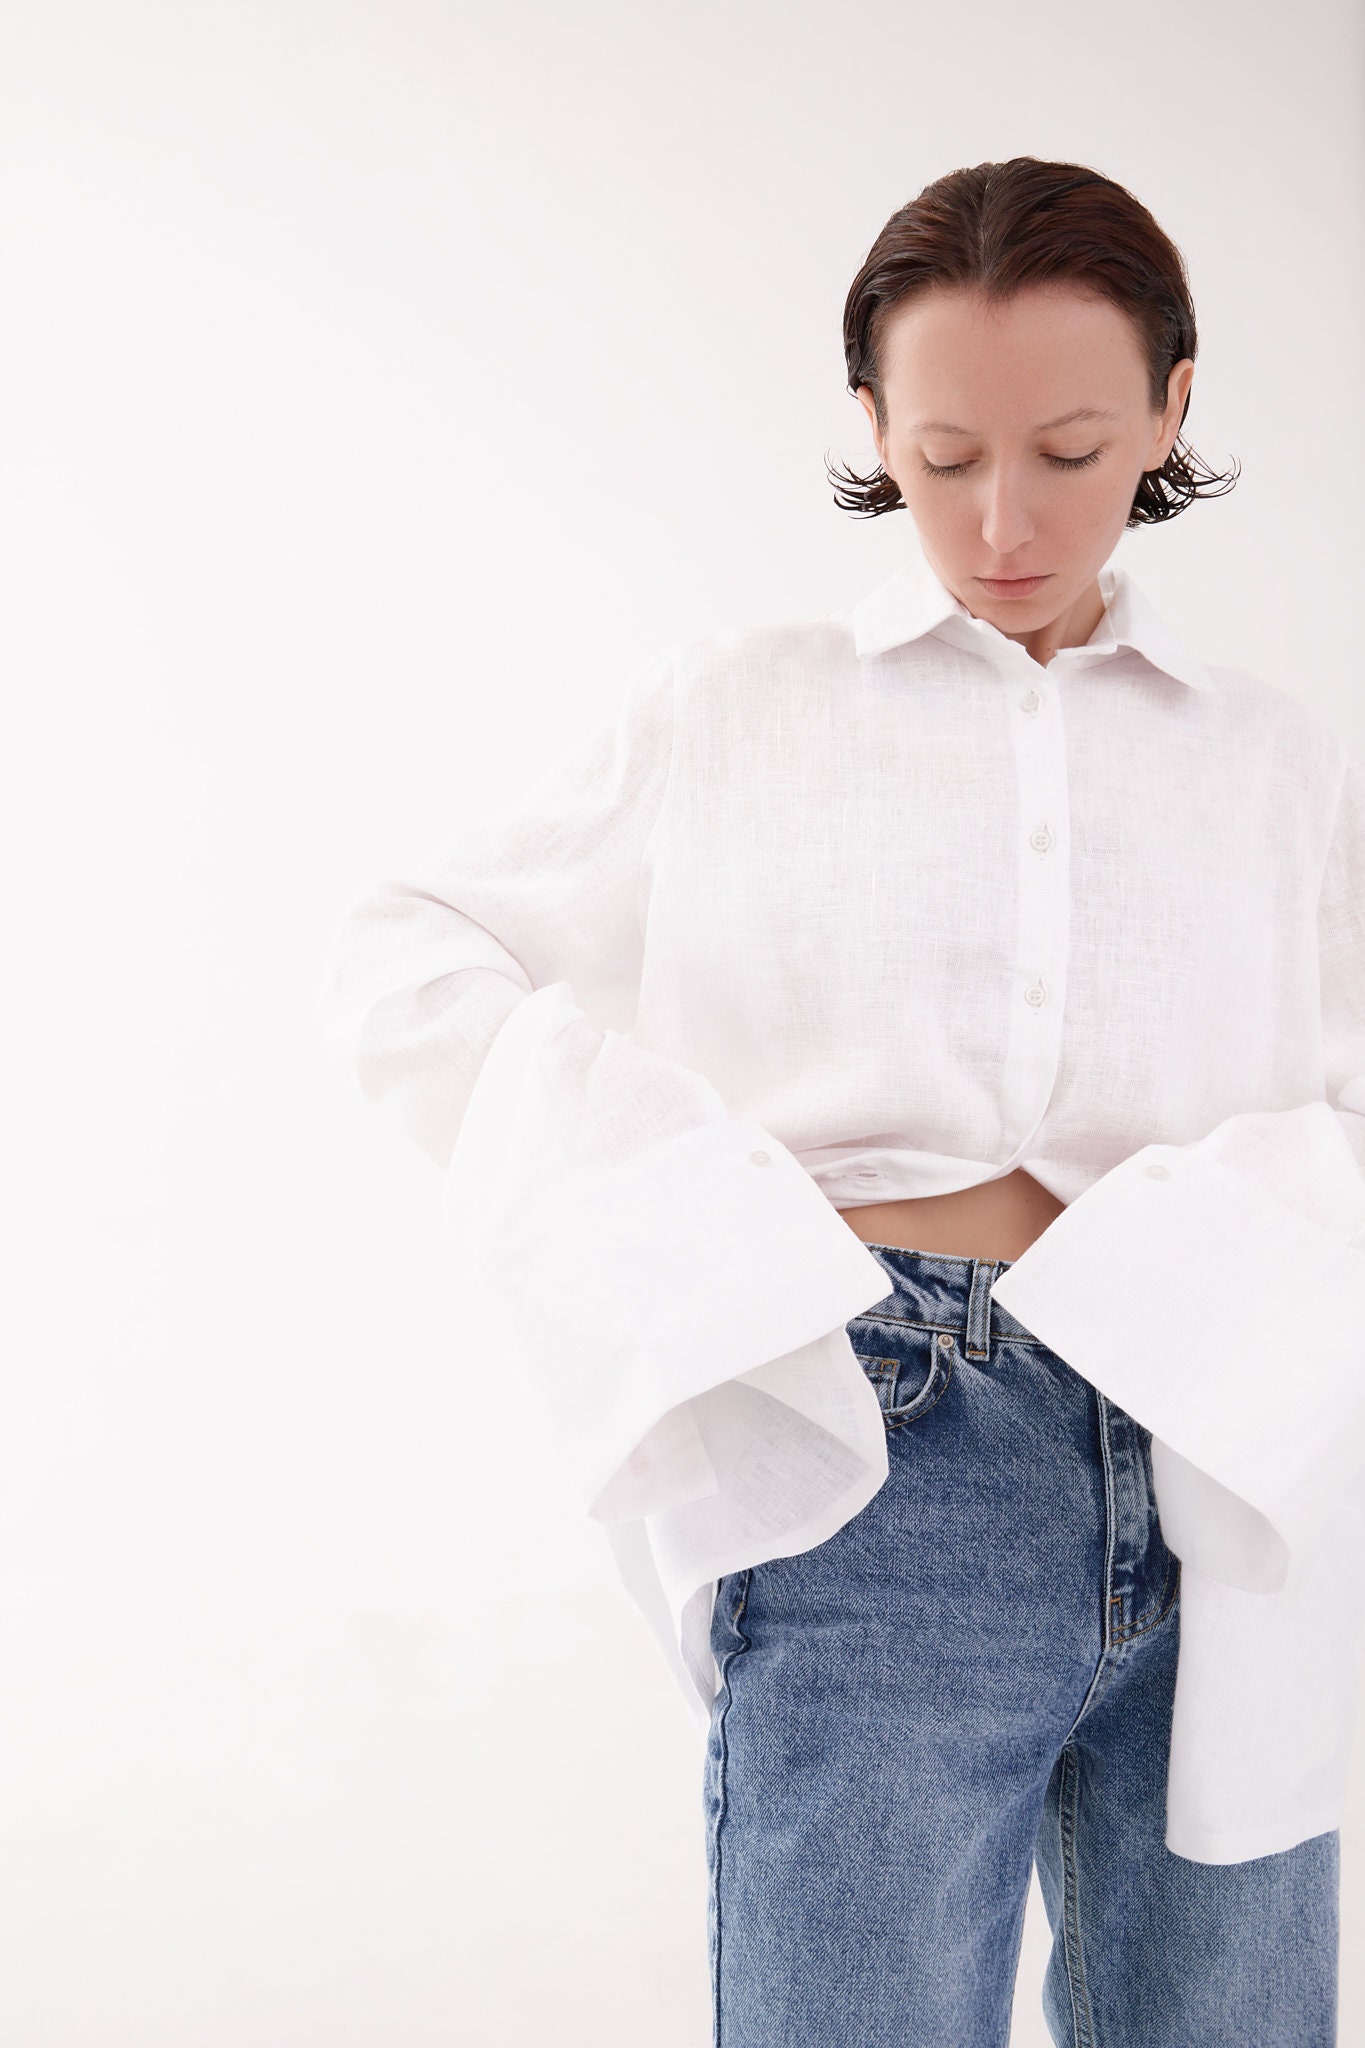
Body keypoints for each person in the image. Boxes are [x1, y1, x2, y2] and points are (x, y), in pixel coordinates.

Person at [316, 156, 1364, 2045]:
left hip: (1230, 1463)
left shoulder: (1274, 762)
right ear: (871, 421)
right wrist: (700, 1231)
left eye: (1067, 448)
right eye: (944, 451)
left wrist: (1272, 1268)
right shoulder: (740, 707)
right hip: (890, 1444)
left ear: (1172, 409)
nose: (1002, 516)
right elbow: (410, 955)